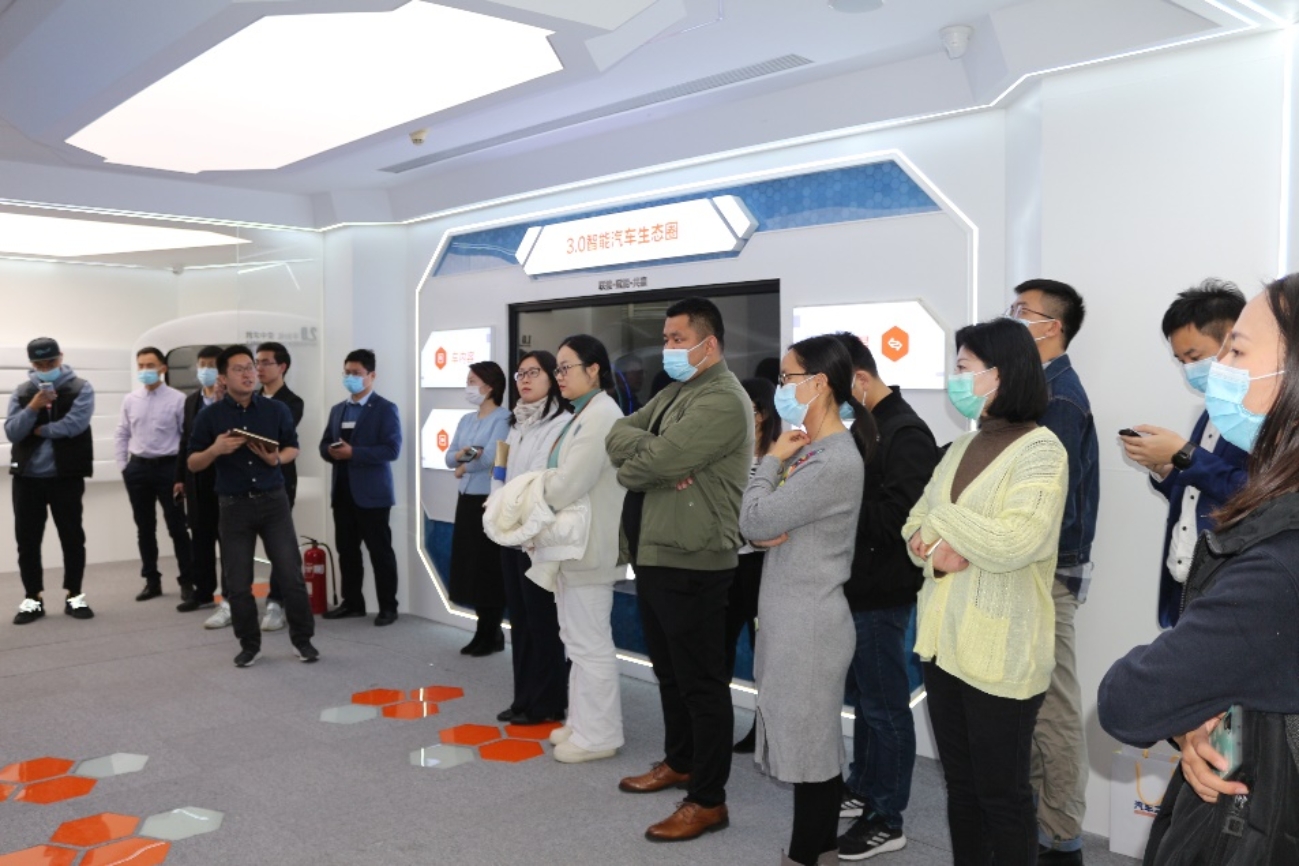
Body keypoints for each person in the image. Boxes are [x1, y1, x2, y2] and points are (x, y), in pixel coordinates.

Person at [1098, 276, 1299, 863]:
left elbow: (1128, 700)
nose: (1216, 372)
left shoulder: (1277, 566)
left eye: (1235, 351)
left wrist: (1182, 701)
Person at [902, 317, 1067, 866]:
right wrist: (939, 553)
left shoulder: (1042, 449)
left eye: (964, 367)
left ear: (1001, 374)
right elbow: (911, 527)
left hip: (1002, 652)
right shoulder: (960, 447)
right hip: (943, 646)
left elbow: (1018, 539)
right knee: (962, 789)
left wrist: (944, 522)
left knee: (1002, 795)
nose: (955, 377)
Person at [606, 296, 753, 842]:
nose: (667, 347)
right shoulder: (676, 391)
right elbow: (617, 436)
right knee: (669, 673)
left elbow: (649, 464)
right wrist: (656, 457)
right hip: (654, 552)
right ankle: (681, 761)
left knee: (701, 684)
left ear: (707, 344)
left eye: (676, 339)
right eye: (666, 338)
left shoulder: (723, 399)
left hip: (694, 559)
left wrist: (653, 462)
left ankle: (708, 800)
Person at [739, 335, 873, 866]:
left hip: (810, 622)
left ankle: (805, 856)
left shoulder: (831, 458)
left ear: (819, 384)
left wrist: (769, 462)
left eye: (787, 378)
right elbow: (763, 527)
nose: (780, 388)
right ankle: (818, 850)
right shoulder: (813, 448)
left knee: (810, 750)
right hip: (794, 614)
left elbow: (755, 519)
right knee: (809, 742)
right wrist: (764, 524)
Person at [833, 332, 940, 861]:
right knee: (867, 701)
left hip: (883, 590)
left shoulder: (906, 432)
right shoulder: (867, 427)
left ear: (859, 378)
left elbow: (901, 519)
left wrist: (834, 503)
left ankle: (887, 816)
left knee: (885, 707)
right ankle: (863, 785)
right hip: (857, 586)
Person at [1008, 278, 1098, 864]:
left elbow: (1050, 505)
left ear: (1052, 327)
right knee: (1033, 704)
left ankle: (1062, 837)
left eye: (1023, 311)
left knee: (1054, 707)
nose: (1013, 318)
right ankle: (1041, 824)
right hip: (1033, 568)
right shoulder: (1037, 390)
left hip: (1048, 571)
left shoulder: (1059, 398)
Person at [1119, 280, 1248, 627]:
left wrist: (1185, 454)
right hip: (1186, 581)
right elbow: (1196, 492)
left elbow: (1258, 494)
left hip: (1230, 587)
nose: (1189, 369)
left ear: (1235, 340)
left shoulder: (1264, 414)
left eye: (1194, 357)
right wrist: (1165, 468)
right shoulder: (1212, 409)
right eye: (1181, 360)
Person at [186, 345, 317, 667]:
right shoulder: (210, 416)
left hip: (274, 502)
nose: (249, 374)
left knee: (290, 575)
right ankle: (249, 645)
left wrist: (276, 459)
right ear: (223, 377)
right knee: (238, 582)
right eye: (239, 369)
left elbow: (292, 448)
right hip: (233, 507)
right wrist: (215, 449)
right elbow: (192, 463)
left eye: (250, 367)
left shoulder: (276, 410)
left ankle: (303, 641)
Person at [543, 335, 628, 763]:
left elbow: (566, 484)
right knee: (575, 641)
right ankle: (580, 723)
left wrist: (531, 490)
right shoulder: (584, 413)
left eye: (566, 367)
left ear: (593, 370)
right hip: (573, 547)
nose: (558, 376)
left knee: (590, 644)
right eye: (556, 369)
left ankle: (599, 736)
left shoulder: (601, 415)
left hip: (590, 548)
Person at [493, 350, 572, 725]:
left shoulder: (562, 423)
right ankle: (523, 698)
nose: (524, 379)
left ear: (552, 378)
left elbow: (543, 481)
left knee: (543, 622)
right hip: (510, 534)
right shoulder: (516, 423)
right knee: (520, 621)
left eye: (533, 372)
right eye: (520, 373)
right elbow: (502, 472)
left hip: (539, 537)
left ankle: (548, 702)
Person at [6, 337, 96, 624]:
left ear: (61, 357)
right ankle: (33, 599)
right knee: (27, 541)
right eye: (40, 364)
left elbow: (75, 425)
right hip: (27, 479)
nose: (46, 368)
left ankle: (75, 595)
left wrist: (39, 430)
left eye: (51, 362)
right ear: (32, 364)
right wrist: (33, 406)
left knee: (72, 538)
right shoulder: (23, 392)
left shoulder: (81, 387)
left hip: (65, 477)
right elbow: (12, 431)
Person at [319, 349, 403, 626]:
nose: (350, 378)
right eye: (347, 373)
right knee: (347, 551)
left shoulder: (385, 408)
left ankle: (388, 607)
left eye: (356, 373)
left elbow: (391, 450)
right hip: (342, 492)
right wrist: (331, 452)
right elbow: (324, 445)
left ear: (371, 375)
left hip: (373, 495)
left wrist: (353, 453)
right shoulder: (338, 409)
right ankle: (352, 603)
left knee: (380, 552)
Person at [116, 347, 193, 604]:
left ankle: (187, 581)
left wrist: (182, 474)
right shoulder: (131, 400)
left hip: (169, 468)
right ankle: (152, 580)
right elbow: (122, 433)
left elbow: (186, 438)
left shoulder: (178, 399)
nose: (145, 370)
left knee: (177, 527)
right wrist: (123, 467)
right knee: (144, 528)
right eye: (141, 366)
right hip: (138, 468)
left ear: (163, 368)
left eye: (150, 365)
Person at [729, 376, 780, 754]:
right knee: (721, 647)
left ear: (761, 413)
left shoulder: (781, 453)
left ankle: (765, 729)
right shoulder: (729, 448)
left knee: (765, 654)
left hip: (764, 565)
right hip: (729, 562)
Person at [446, 361, 512, 655]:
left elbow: (490, 457)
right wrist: (464, 458)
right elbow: (450, 457)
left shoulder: (503, 418)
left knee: (488, 568)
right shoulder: (466, 420)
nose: (469, 386)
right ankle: (481, 630)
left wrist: (463, 464)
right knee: (469, 566)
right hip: (466, 500)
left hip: (488, 500)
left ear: (490, 385)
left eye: (473, 381)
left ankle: (491, 632)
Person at [255, 341, 305, 632]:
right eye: (256, 362)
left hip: (280, 479)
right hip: (246, 480)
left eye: (265, 362)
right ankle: (233, 602)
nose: (258, 368)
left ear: (282, 367)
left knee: (279, 544)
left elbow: (275, 437)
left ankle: (276, 602)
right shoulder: (248, 398)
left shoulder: (291, 402)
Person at [176, 345, 225, 615]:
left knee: (227, 539)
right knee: (201, 538)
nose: (206, 370)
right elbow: (185, 441)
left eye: (212, 365)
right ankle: (203, 592)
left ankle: (231, 593)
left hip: (225, 479)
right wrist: (180, 478)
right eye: (202, 364)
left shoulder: (231, 400)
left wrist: (220, 402)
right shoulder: (191, 401)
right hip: (197, 479)